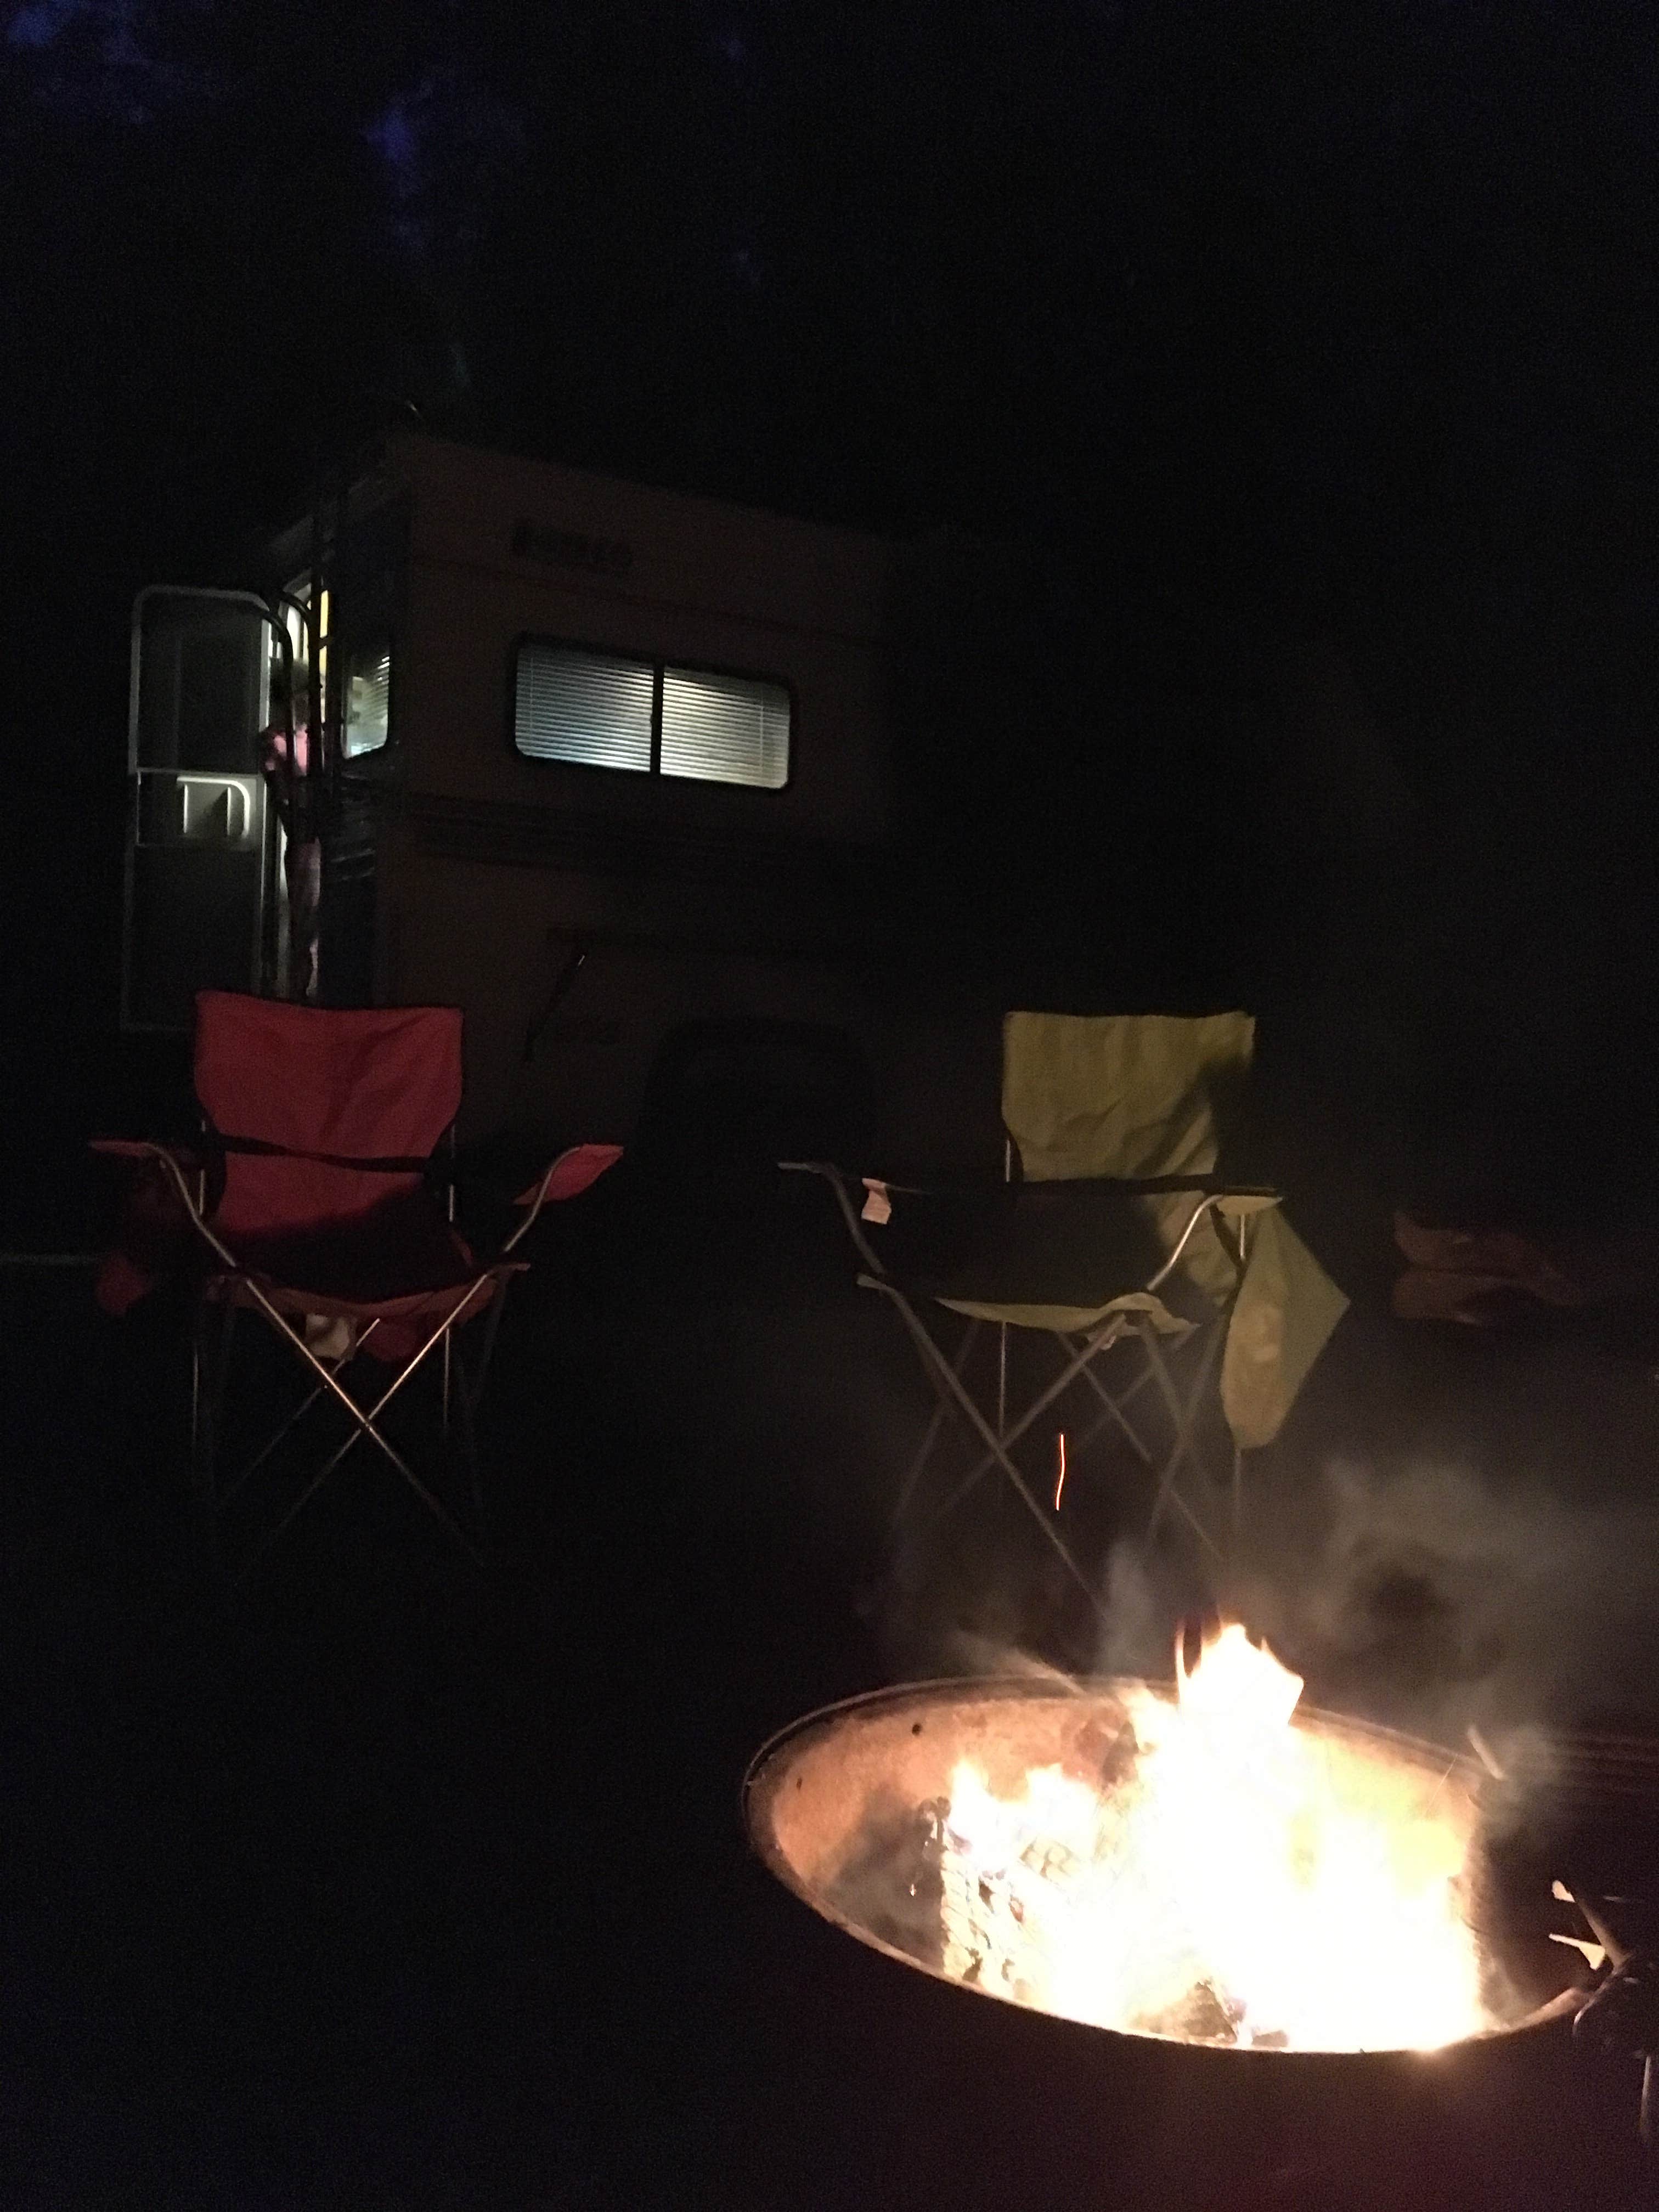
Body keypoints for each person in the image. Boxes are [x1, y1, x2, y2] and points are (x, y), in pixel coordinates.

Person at [259, 684, 323, 1001]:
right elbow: (286, 790)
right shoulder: (275, 741)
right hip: (307, 838)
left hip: (327, 835)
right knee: (307, 918)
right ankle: (301, 993)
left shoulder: (318, 737)